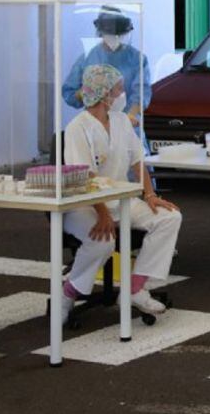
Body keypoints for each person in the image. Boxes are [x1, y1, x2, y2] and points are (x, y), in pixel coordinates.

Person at [61, 64, 182, 320]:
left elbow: (137, 160)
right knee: (102, 242)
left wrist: (149, 195)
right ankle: (68, 293)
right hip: (83, 204)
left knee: (168, 217)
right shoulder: (78, 128)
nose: (122, 93)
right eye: (118, 89)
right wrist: (102, 212)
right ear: (103, 93)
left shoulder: (121, 122)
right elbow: (85, 177)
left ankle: (135, 289)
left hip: (120, 201)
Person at [62, 6, 151, 130]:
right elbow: (69, 93)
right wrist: (87, 92)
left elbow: (141, 93)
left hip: (127, 126)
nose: (114, 38)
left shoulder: (137, 59)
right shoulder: (88, 58)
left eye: (118, 34)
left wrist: (129, 116)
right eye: (110, 34)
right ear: (101, 32)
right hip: (95, 126)